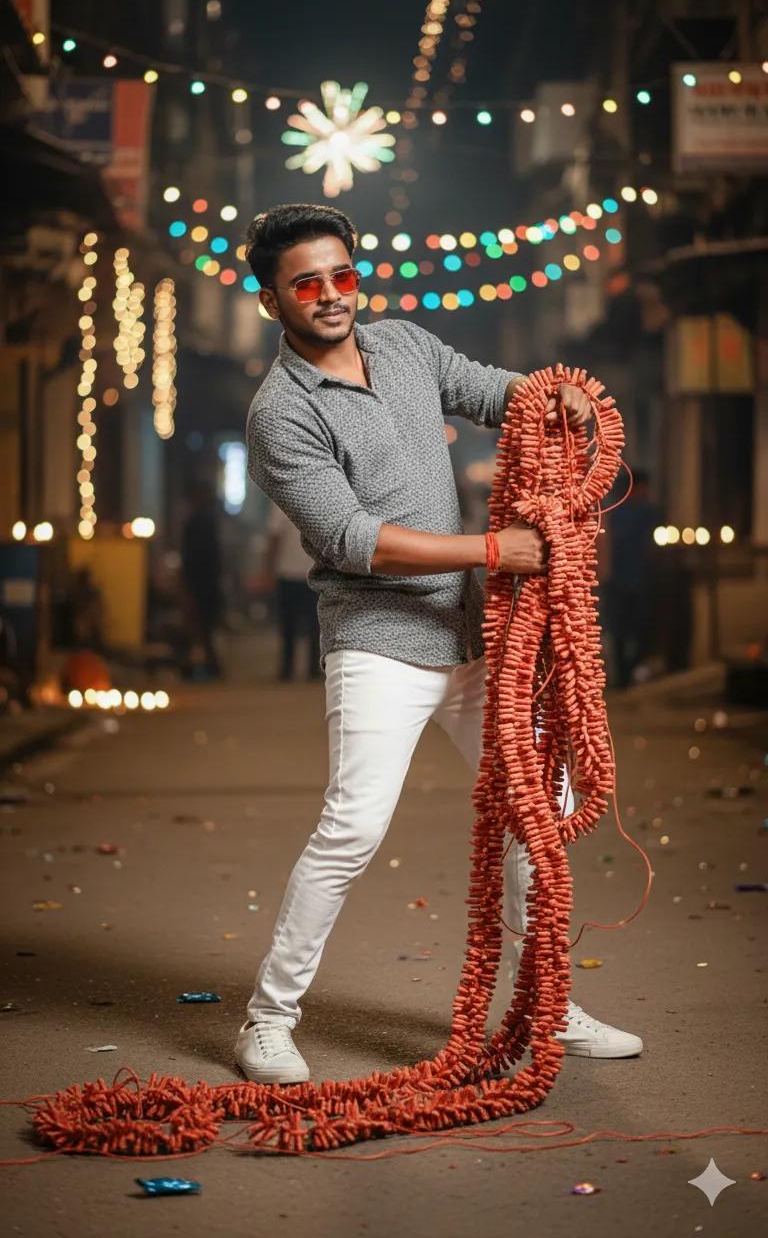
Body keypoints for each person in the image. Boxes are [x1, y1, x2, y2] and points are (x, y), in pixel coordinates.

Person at [236, 203, 642, 1085]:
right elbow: (352, 539)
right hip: (378, 643)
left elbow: (499, 393)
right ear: (272, 300)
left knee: (540, 805)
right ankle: (267, 1020)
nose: (331, 295)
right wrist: (496, 551)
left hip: (472, 636)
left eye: (342, 275)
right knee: (353, 828)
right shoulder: (280, 413)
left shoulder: (406, 347)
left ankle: (547, 1002)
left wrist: (558, 394)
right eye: (306, 284)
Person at [604, 469, 661, 688]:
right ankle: (623, 677)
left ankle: (629, 672)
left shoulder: (649, 513)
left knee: (641, 629)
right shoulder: (616, 514)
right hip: (620, 581)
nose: (644, 492)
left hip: (641, 580)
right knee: (619, 630)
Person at [262, 499, 322, 681]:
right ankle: (300, 668)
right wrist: (268, 571)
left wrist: (268, 570)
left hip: (301, 573)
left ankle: (297, 669)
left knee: (306, 624)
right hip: (295, 572)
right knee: (300, 624)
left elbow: (274, 538)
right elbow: (274, 538)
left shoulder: (281, 500)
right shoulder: (315, 500)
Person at [180, 481, 224, 679]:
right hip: (207, 581)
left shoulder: (197, 522)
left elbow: (192, 557)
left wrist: (185, 583)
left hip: (200, 582)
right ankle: (209, 667)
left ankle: (208, 667)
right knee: (205, 628)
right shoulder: (208, 521)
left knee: (201, 627)